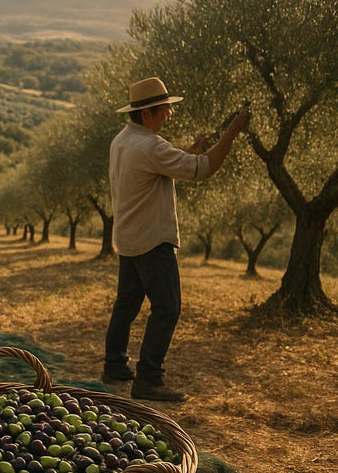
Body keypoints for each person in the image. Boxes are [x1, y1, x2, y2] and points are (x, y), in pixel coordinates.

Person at [102, 77, 250, 402]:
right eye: (165, 110)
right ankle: (149, 379)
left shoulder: (123, 140)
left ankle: (114, 366)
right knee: (167, 307)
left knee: (126, 304)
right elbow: (204, 168)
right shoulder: (150, 146)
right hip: (152, 240)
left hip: (127, 237)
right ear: (147, 114)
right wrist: (233, 131)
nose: (169, 114)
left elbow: (156, 170)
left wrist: (185, 153)